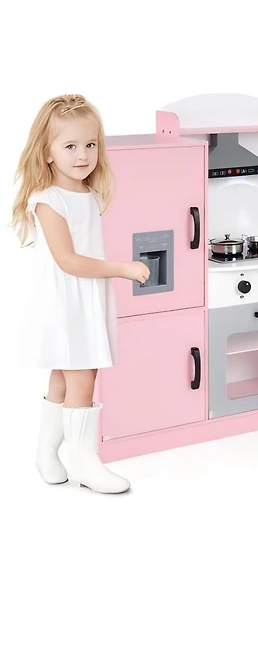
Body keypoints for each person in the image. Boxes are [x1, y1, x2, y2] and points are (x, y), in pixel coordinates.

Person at [10, 94, 150, 494]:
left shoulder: (86, 194)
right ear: (47, 152)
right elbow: (69, 261)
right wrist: (122, 269)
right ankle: (84, 461)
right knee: (83, 375)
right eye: (70, 146)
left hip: (83, 295)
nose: (83, 155)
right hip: (66, 301)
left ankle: (46, 453)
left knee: (64, 374)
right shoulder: (48, 200)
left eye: (90, 144)